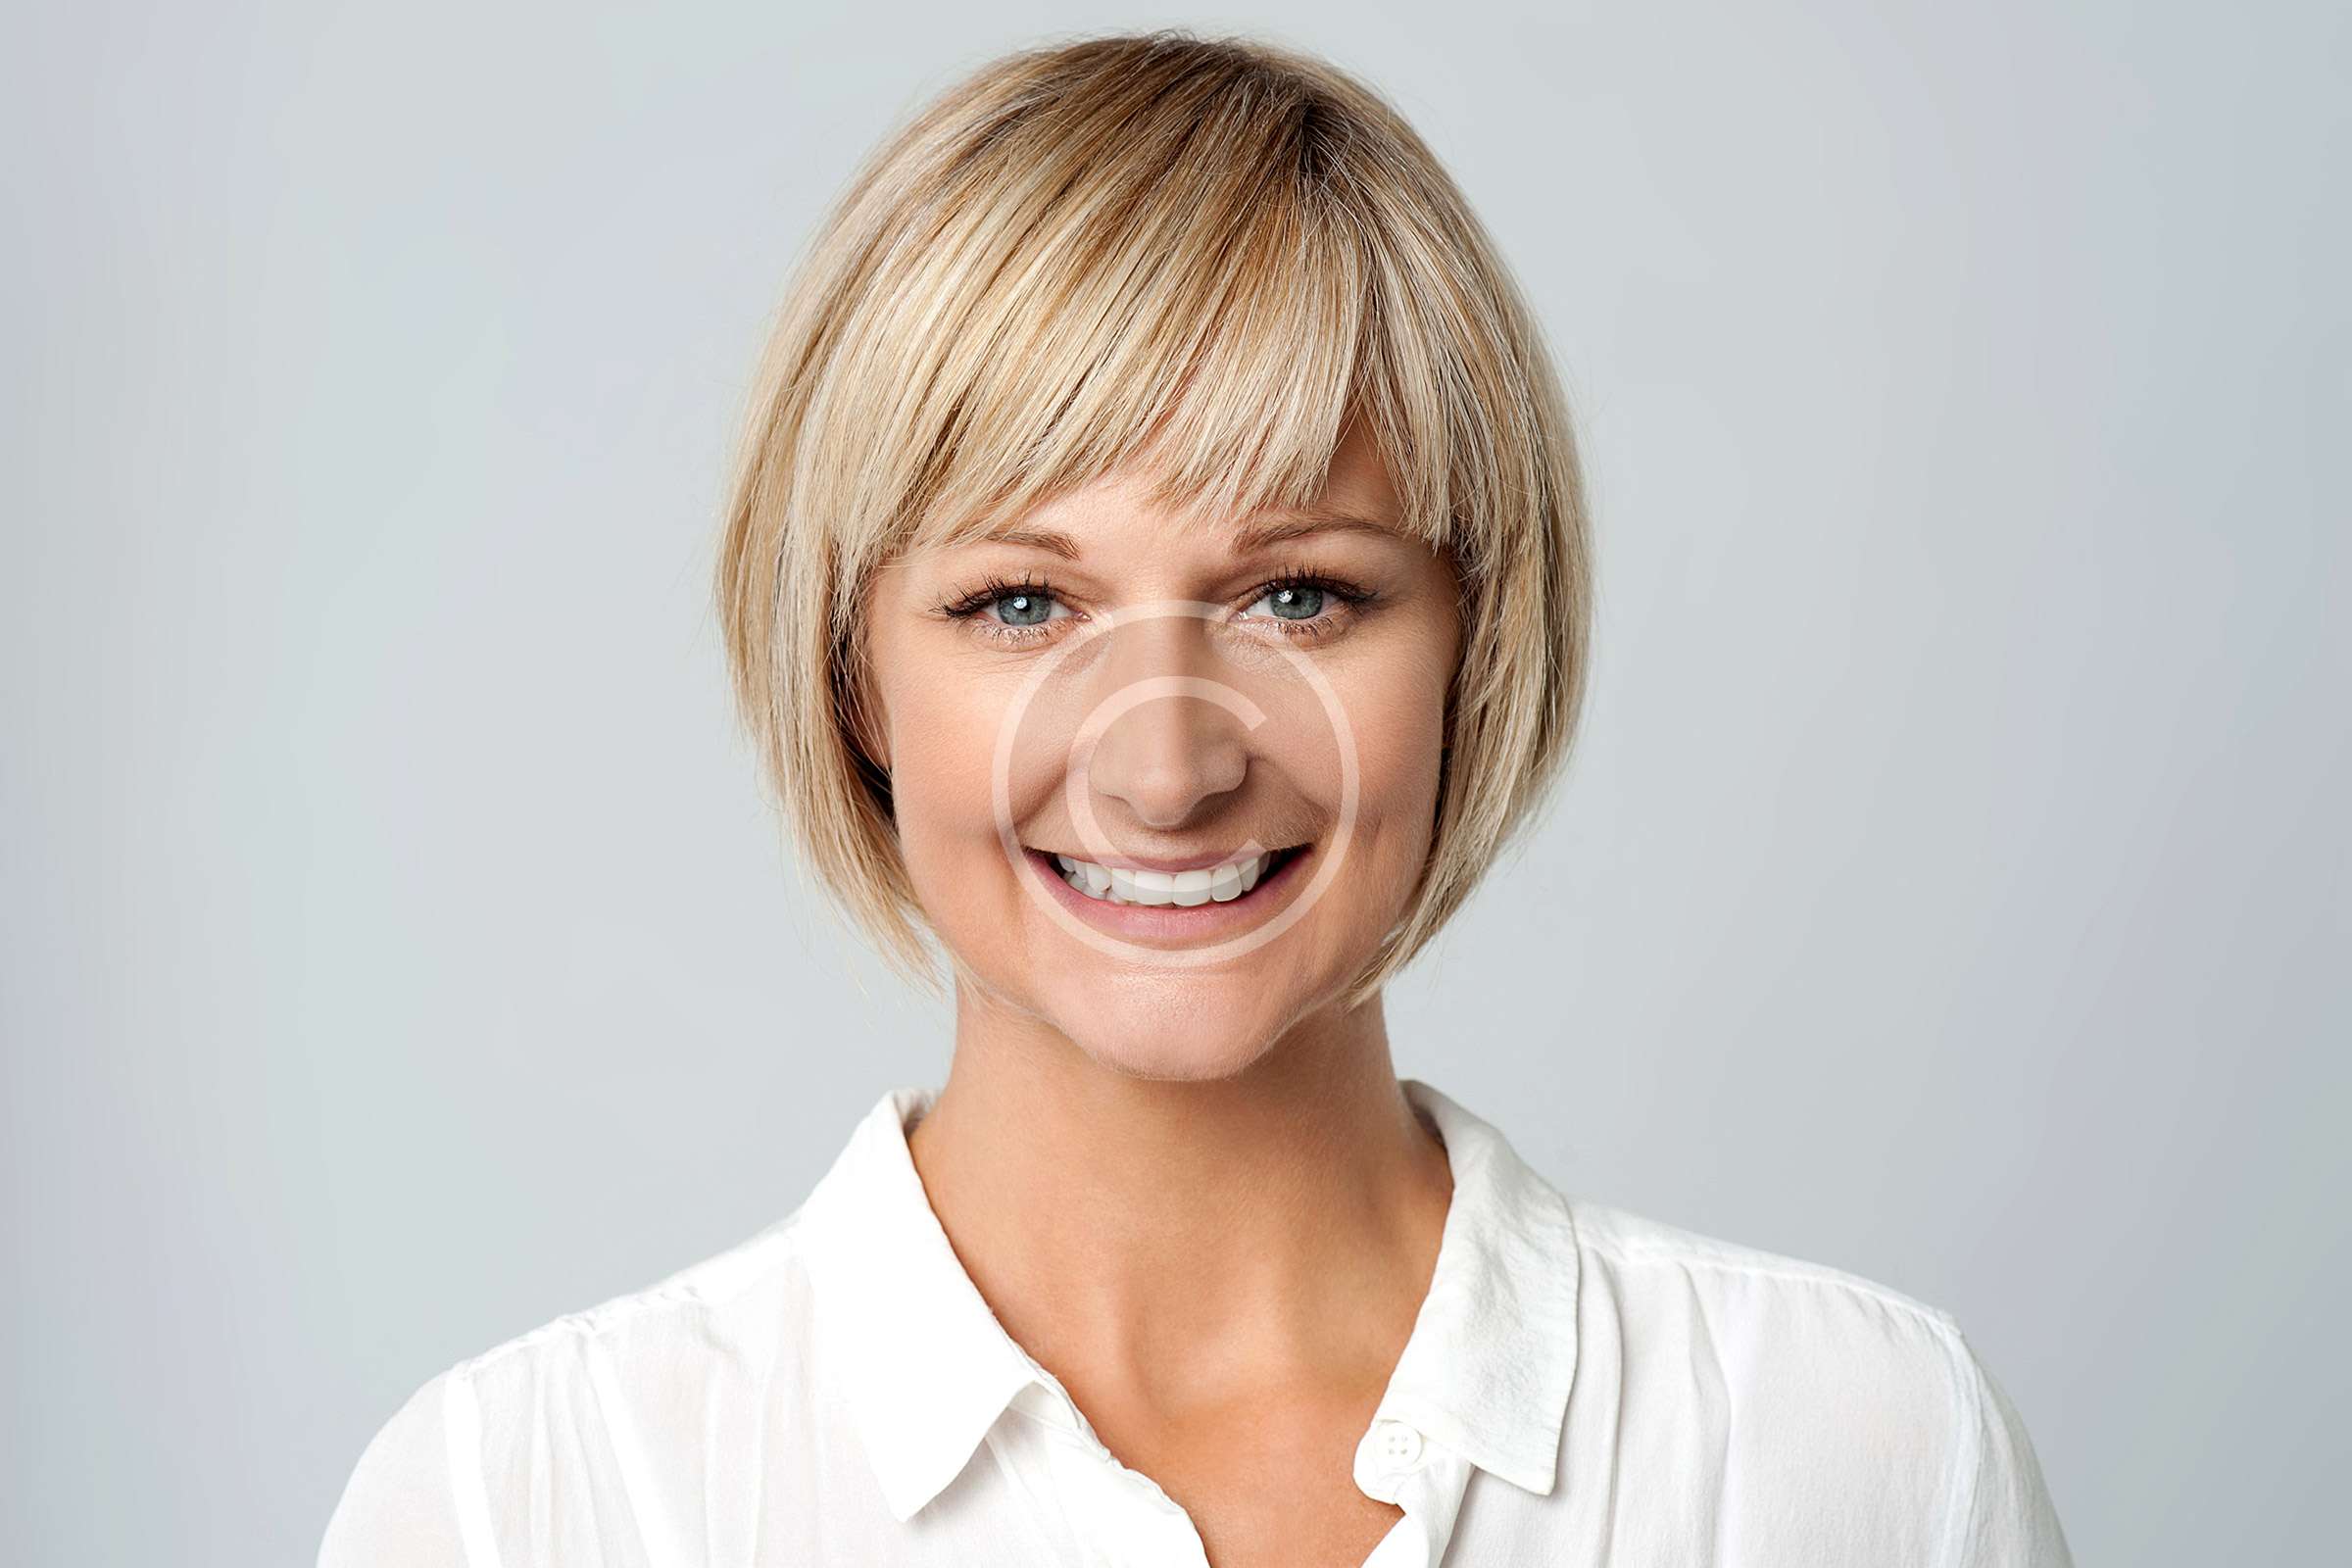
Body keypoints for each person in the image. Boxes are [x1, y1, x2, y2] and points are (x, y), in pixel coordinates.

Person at [318, 28, 2073, 1567]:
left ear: (1473, 646)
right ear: (855, 678)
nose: (1166, 771)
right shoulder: (528, 1505)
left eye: (1299, 596)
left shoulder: (1856, 1455)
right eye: (1023, 605)